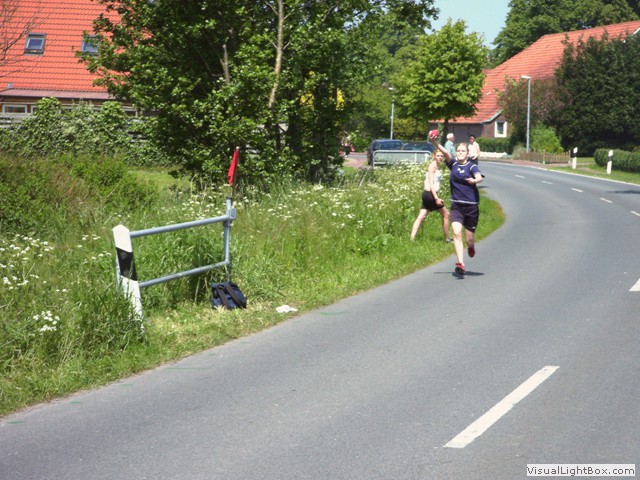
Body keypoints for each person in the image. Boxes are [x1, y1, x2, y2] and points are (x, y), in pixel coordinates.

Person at [429, 131, 484, 275]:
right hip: (457, 206)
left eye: (463, 151)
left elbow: (479, 177)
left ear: (467, 153)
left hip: (471, 206)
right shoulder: (452, 164)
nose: (460, 153)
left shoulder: (471, 166)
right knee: (457, 233)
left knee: (469, 239)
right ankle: (461, 263)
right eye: (458, 150)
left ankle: (471, 246)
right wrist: (434, 142)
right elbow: (445, 152)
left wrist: (474, 180)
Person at [410, 149, 451, 243]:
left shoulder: (437, 166)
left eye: (441, 156)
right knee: (446, 214)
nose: (440, 158)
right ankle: (447, 238)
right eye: (438, 156)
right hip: (430, 194)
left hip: (428, 194)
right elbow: (431, 183)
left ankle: (411, 239)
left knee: (421, 216)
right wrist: (436, 198)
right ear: (434, 156)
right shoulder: (432, 166)